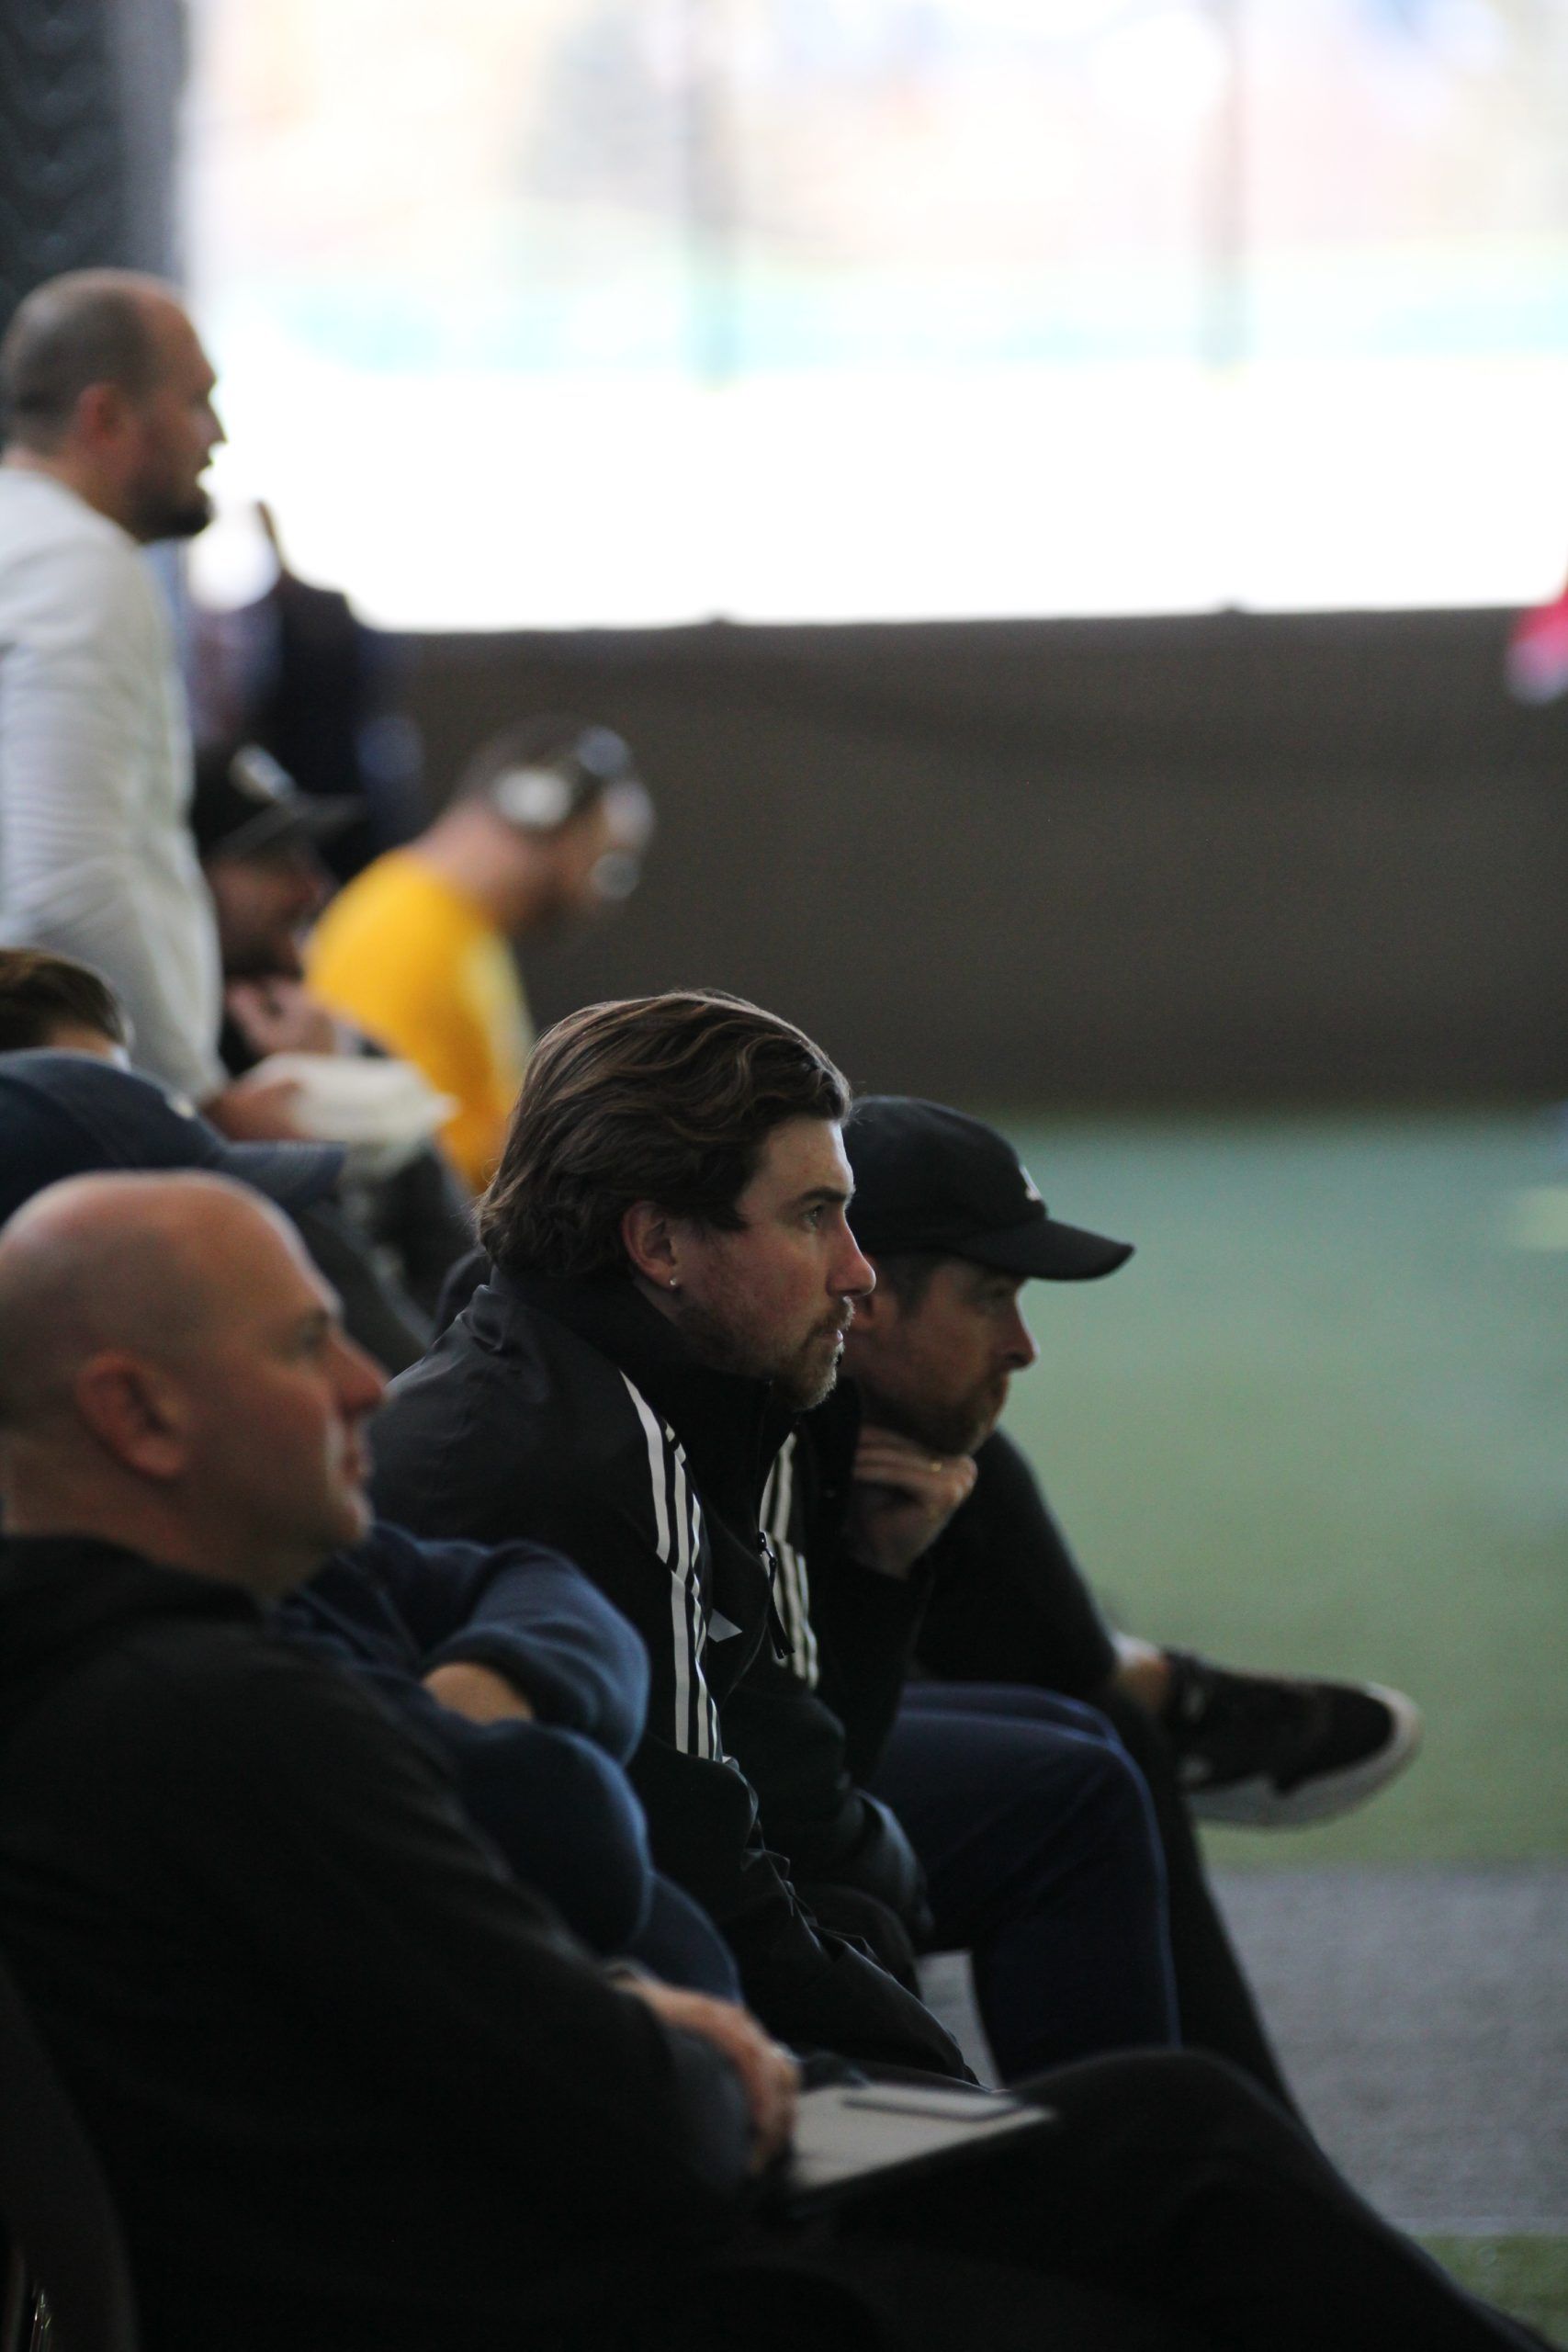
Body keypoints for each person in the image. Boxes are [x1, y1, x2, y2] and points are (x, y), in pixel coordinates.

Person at [0, 1171, 1551, 2352]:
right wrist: (682, 2038)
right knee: (1168, 2222)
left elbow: (538, 1732)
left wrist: (641, 2003)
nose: (360, 1383)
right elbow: (603, 2037)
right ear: (137, 1414)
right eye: (303, 1345)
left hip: (579, 2202)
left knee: (1169, 2128)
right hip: (573, 2282)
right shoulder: (208, 1714)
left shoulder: (209, 1626)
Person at [0, 269, 294, 1140]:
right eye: (197, 402)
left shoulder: (30, 547)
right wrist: (195, 1100)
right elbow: (66, 888)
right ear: (105, 417)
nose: (218, 435)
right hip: (66, 1100)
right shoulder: (76, 565)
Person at [306, 714, 655, 1191]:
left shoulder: (458, 928)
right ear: (540, 811)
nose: (599, 893)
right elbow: (386, 1151)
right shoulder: (405, 933)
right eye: (605, 859)